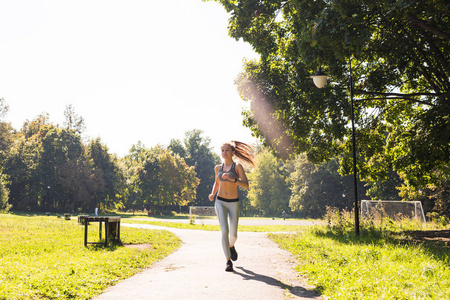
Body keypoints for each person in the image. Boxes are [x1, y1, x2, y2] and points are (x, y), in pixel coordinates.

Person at [208, 141, 255, 272]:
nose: (224, 152)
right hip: (220, 201)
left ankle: (231, 245)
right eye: (222, 150)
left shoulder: (237, 167)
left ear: (233, 152)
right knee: (224, 230)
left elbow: (246, 185)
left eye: (227, 150)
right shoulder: (218, 168)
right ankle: (228, 261)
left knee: (233, 235)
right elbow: (216, 183)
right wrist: (212, 193)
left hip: (234, 202)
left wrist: (235, 180)